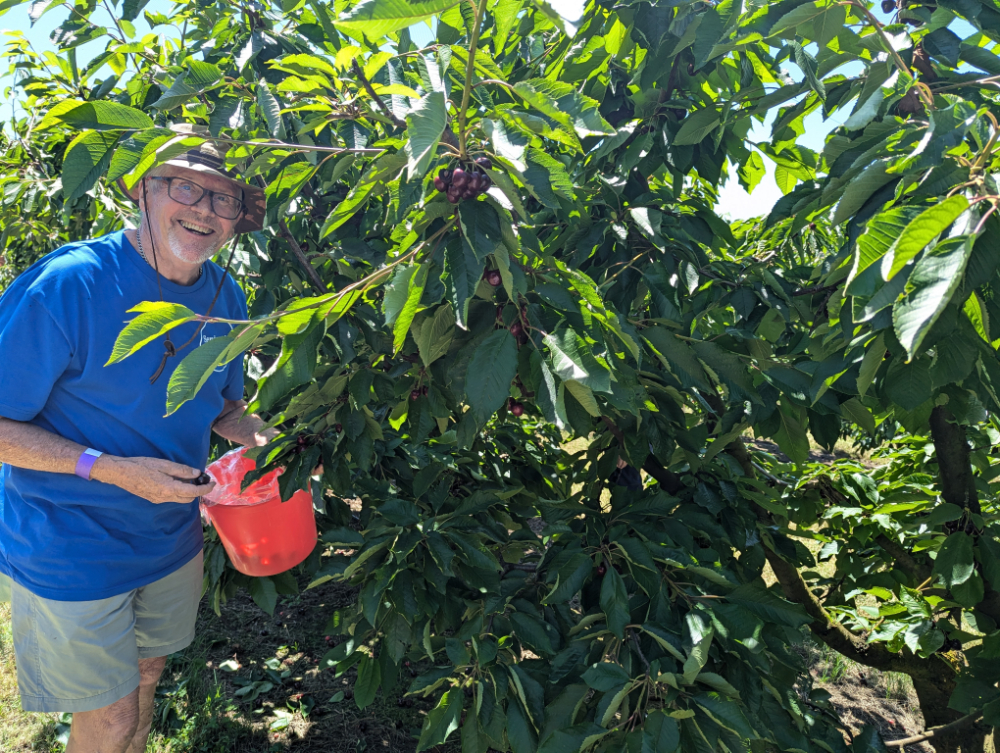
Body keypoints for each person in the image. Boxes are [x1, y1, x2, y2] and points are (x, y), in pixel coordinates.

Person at [0, 126, 272, 753]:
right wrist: (111, 468)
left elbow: (220, 405)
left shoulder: (224, 297)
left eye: (222, 199)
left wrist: (257, 435)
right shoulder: (71, 285)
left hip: (169, 538)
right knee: (113, 718)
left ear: (235, 221)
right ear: (141, 191)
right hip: (70, 540)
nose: (203, 209)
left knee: (148, 675)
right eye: (185, 187)